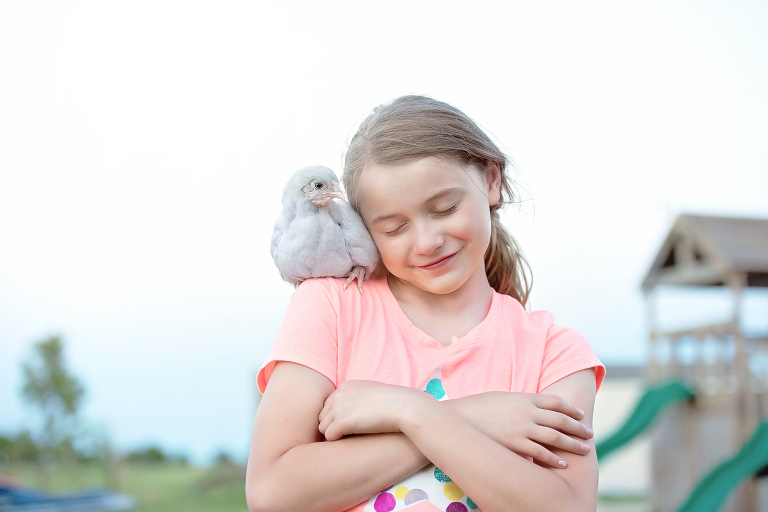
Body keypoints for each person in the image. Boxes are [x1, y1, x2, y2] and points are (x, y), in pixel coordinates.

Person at [246, 95, 605, 512]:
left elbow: (567, 507)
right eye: (395, 228)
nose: (427, 242)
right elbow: (272, 492)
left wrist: (415, 412)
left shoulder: (553, 353)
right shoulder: (332, 306)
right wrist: (474, 417)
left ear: (490, 180)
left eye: (445, 208)